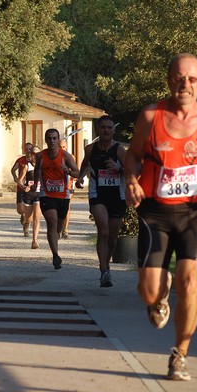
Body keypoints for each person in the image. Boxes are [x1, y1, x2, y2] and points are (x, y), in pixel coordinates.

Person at [125, 53, 197, 381]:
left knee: (191, 283)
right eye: (178, 77)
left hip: (194, 213)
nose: (184, 84)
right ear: (168, 80)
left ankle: (180, 355)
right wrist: (132, 180)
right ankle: (158, 294)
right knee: (147, 291)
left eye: (191, 78)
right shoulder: (150, 116)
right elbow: (132, 156)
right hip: (155, 212)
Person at [76, 116, 127, 288]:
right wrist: (80, 178)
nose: (106, 130)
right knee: (103, 231)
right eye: (103, 127)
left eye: (109, 128)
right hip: (97, 194)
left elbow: (133, 172)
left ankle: (106, 264)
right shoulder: (90, 149)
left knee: (112, 237)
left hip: (117, 196)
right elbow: (84, 165)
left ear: (114, 130)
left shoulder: (120, 151)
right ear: (98, 130)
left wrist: (119, 168)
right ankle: (103, 269)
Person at [33, 129, 80, 270]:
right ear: (46, 140)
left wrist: (68, 171)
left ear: (58, 140)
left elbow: (77, 172)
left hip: (62, 195)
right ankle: (55, 255)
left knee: (59, 226)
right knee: (51, 222)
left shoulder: (65, 156)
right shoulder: (40, 156)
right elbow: (37, 170)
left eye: (54, 138)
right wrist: (36, 183)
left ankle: (56, 238)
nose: (52, 141)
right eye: (49, 138)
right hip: (46, 194)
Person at [16, 146, 42, 249]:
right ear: (32, 155)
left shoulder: (43, 166)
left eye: (38, 154)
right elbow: (19, 180)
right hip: (28, 195)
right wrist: (23, 186)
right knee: (29, 218)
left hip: (39, 194)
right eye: (34, 154)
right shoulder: (27, 166)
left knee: (37, 217)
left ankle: (34, 240)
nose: (36, 156)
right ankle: (26, 223)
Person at [11, 142, 34, 227]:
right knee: (20, 209)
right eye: (26, 149)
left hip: (31, 188)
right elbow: (13, 170)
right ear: (24, 150)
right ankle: (23, 214)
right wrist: (15, 178)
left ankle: (27, 225)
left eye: (30, 149)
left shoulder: (35, 160)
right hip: (21, 186)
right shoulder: (21, 160)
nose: (28, 151)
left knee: (30, 208)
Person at [60, 139, 75, 239]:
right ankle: (59, 228)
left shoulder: (70, 157)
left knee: (67, 207)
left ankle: (65, 229)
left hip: (68, 185)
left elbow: (75, 170)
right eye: (60, 147)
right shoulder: (53, 157)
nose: (62, 149)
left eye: (63, 147)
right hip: (56, 185)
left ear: (66, 147)